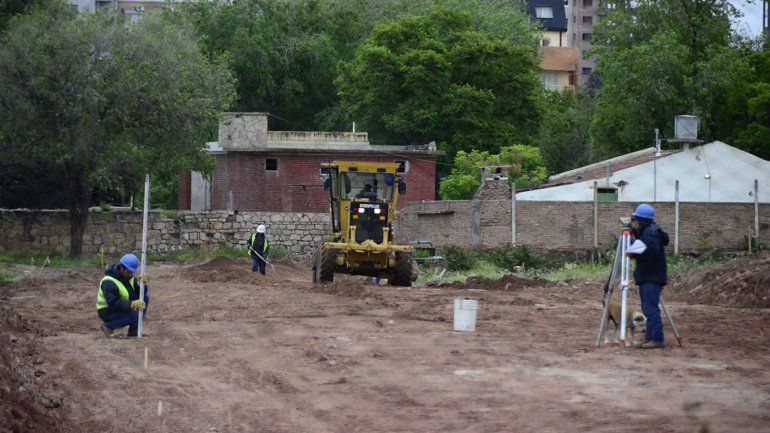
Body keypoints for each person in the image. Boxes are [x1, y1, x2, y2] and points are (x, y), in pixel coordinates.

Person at [627, 203, 669, 349]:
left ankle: (656, 339)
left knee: (651, 309)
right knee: (647, 308)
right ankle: (650, 338)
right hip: (649, 275)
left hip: (651, 276)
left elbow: (649, 252)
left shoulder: (650, 233)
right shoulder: (648, 231)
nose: (634, 223)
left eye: (635, 220)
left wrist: (633, 249)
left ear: (642, 221)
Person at [97, 253, 149, 338]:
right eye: (128, 272)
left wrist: (142, 284)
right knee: (136, 314)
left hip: (119, 307)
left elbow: (140, 294)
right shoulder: (109, 281)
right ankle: (108, 326)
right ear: (121, 268)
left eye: (132, 272)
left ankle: (134, 331)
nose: (130, 274)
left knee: (145, 298)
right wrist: (132, 304)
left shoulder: (128, 277)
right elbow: (113, 304)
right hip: (107, 311)